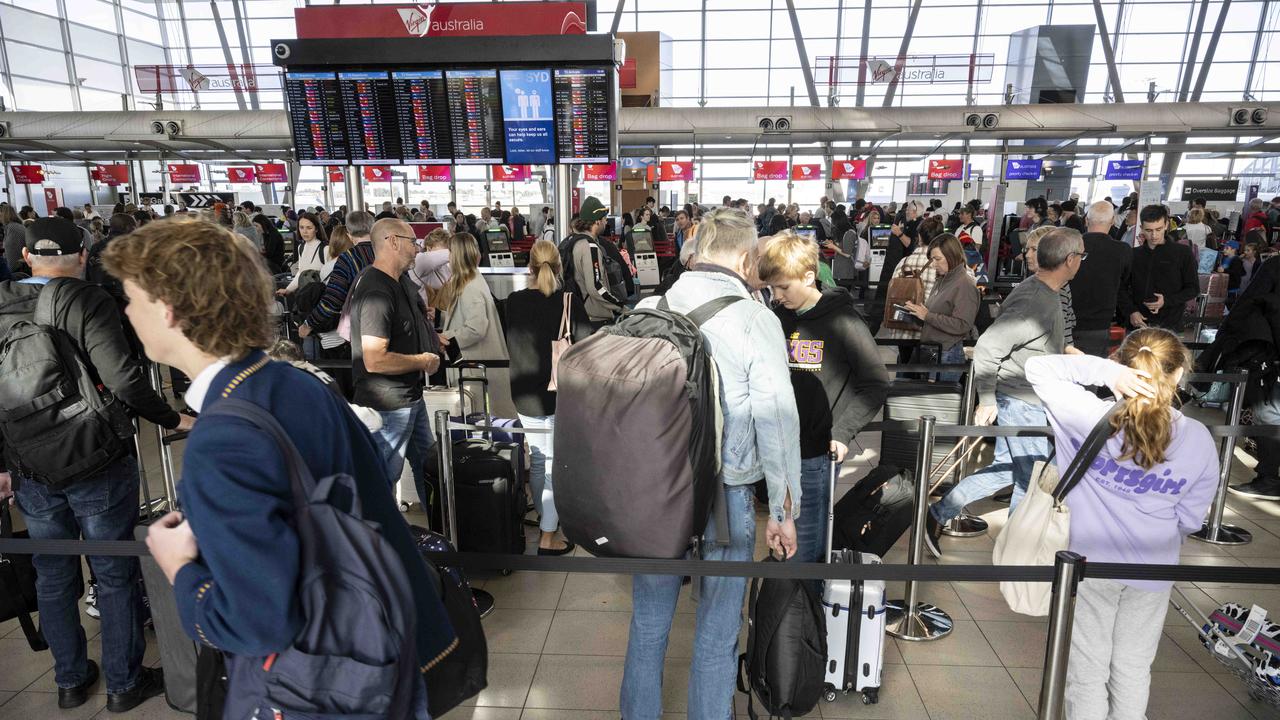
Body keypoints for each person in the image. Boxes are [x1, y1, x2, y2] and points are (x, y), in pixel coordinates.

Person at [104, 218, 453, 718]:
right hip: (380, 662)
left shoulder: (219, 440)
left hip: (312, 691)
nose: (127, 312)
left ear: (169, 311)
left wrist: (181, 569)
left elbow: (256, 621)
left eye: (133, 299)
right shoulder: (301, 384)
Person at [0, 218, 193, 711]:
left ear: (25, 257)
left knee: (53, 571)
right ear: (83, 254)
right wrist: (173, 416)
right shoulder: (86, 300)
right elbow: (124, 379)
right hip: (96, 457)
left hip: (29, 464)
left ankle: (69, 680)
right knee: (112, 570)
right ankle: (125, 685)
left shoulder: (1, 302)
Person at [622, 208, 800, 719]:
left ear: (695, 250)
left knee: (649, 622)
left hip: (657, 490)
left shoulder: (650, 305)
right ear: (747, 259)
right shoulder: (755, 318)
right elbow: (776, 420)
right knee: (718, 629)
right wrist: (785, 513)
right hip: (727, 492)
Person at [1025, 331, 1217, 719]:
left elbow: (1038, 367)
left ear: (1120, 364)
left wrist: (1104, 371)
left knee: (1087, 670)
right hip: (1153, 566)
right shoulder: (1198, 439)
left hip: (1090, 562)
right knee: (1132, 668)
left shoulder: (1085, 415)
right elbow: (1191, 519)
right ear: (1178, 375)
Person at [927, 227, 1086, 553]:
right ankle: (1017, 551)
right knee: (1032, 481)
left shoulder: (1048, 293)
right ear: (1070, 260)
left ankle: (938, 513)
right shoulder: (1035, 297)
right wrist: (987, 398)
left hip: (1028, 397)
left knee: (1008, 471)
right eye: (1081, 255)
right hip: (1020, 399)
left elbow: (1047, 343)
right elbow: (988, 347)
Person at [759, 232, 889, 565]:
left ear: (808, 275)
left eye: (783, 287)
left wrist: (842, 433)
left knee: (808, 538)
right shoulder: (778, 318)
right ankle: (787, 605)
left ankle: (804, 607)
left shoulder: (844, 321)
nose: (777, 296)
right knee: (783, 534)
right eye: (772, 288)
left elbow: (875, 383)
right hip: (778, 443)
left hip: (818, 452)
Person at [503, 240, 589, 555]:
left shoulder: (513, 301)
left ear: (530, 265)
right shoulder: (569, 301)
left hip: (523, 393)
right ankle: (548, 536)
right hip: (558, 394)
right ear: (559, 266)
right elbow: (585, 348)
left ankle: (544, 516)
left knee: (538, 459)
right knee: (554, 463)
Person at [350, 218, 443, 507]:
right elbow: (375, 359)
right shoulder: (376, 291)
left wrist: (421, 322)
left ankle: (438, 543)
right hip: (387, 406)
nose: (417, 249)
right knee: (382, 481)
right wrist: (422, 360)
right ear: (392, 241)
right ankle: (382, 546)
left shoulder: (400, 281)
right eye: (412, 241)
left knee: (430, 469)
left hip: (410, 400)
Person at [438, 232, 517, 417]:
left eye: (450, 252)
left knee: (480, 423)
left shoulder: (470, 286)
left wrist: (445, 338)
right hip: (478, 367)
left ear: (456, 255)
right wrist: (439, 317)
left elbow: (475, 328)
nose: (447, 256)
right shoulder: (471, 280)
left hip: (476, 369)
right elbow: (467, 317)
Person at [900, 233, 980, 380]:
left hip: (946, 354)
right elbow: (935, 316)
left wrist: (927, 315)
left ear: (952, 256)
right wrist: (916, 314)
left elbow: (963, 324)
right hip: (932, 351)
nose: (934, 264)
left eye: (938, 259)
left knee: (938, 401)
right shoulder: (943, 280)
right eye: (932, 259)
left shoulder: (965, 285)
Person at [1068, 201, 1135, 358]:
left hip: (1065, 321)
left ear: (1086, 220)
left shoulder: (1070, 246)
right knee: (1091, 374)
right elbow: (1123, 285)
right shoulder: (1123, 250)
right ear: (1112, 221)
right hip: (1099, 325)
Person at [298, 210, 376, 339]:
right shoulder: (387, 252)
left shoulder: (348, 258)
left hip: (363, 327)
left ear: (349, 233)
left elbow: (333, 299)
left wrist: (308, 324)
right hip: (394, 321)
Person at [1127, 205, 1198, 331]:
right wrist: (1131, 311)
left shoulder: (1183, 253)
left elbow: (1193, 288)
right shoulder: (1133, 254)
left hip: (1171, 324)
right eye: (1149, 230)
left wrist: (1166, 301)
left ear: (1166, 225)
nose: (1154, 235)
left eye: (1158, 229)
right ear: (1141, 228)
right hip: (1138, 324)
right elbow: (1122, 288)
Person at [879, 216, 947, 345]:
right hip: (931, 330)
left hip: (903, 329)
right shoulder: (944, 265)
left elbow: (892, 290)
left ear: (919, 237)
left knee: (904, 364)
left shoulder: (904, 262)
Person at [559, 197, 623, 329]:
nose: (606, 222)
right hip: (595, 317)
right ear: (597, 221)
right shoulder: (590, 247)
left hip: (580, 313)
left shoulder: (572, 241)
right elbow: (595, 286)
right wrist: (619, 306)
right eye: (604, 219)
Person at [278, 211, 329, 296]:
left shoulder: (325, 249)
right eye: (301, 227)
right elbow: (300, 274)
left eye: (309, 228)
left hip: (321, 299)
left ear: (316, 229)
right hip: (306, 298)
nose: (304, 231)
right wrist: (288, 290)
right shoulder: (301, 247)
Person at [2, 204, 26, 270]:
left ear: (3, 214)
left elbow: (12, 254)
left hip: (18, 270)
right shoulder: (15, 226)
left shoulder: (12, 228)